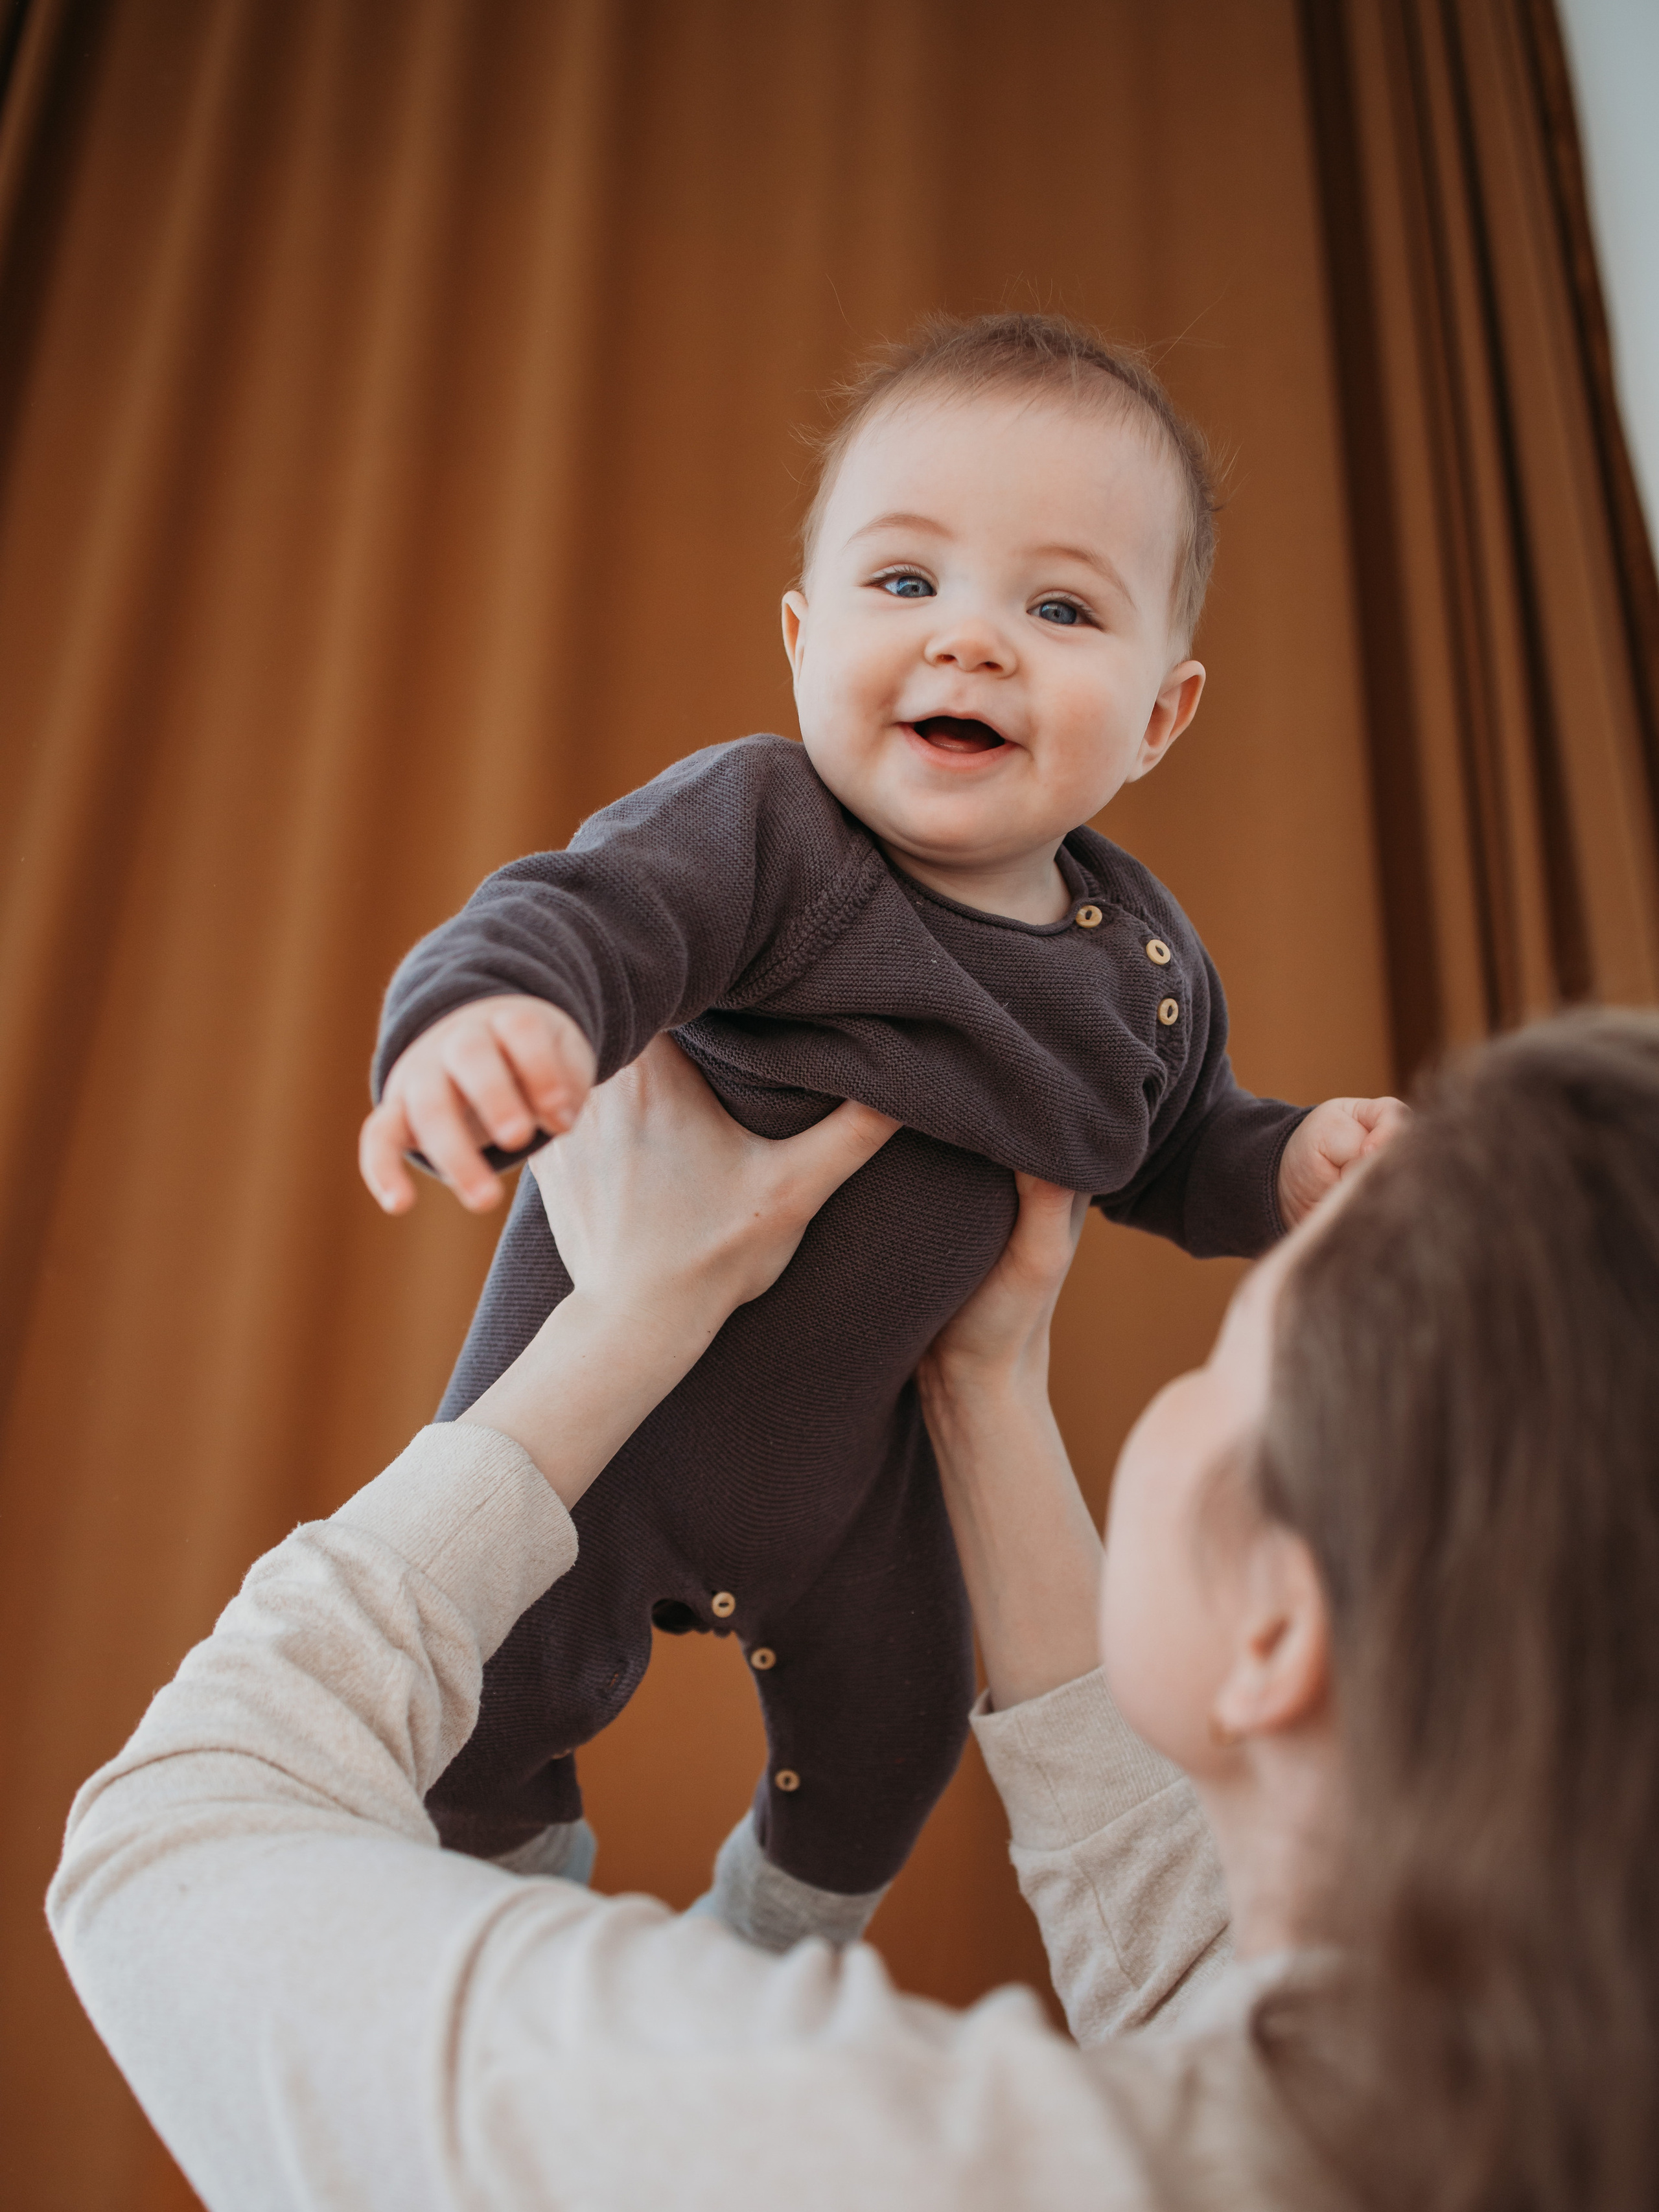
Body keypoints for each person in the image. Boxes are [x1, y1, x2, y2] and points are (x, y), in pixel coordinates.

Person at [51, 1011, 1659, 2212]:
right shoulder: (1529, 2195)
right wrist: (986, 1385)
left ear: (1277, 1631)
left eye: (1223, 1361)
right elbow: (1209, 1976)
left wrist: (634, 1314)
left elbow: (172, 1844)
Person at [357, 310, 1404, 1938]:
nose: (970, 641)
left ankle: (767, 1950)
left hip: (862, 1472)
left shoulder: (1136, 963)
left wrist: (1287, 1166)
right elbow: (580, 919)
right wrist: (492, 1017)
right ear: (800, 634)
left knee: (896, 1736)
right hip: (603, 1436)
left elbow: (1174, 1145)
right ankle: (513, 1924)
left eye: (1058, 607)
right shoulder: (762, 831)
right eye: (904, 584)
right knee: (479, 1703)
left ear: (1159, 717)